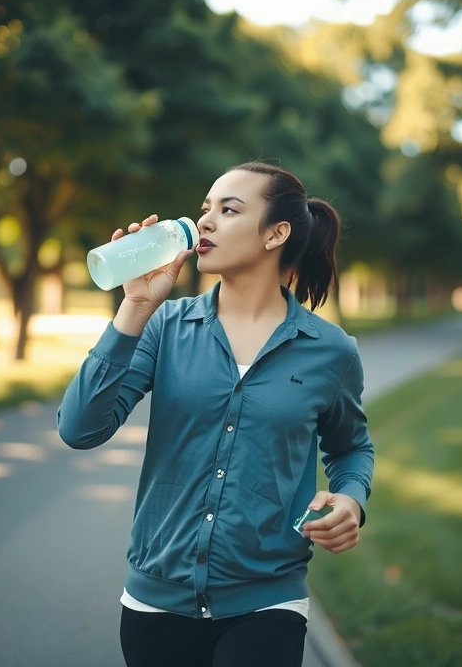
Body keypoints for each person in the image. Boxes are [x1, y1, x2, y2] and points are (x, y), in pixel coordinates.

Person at [57, 162, 374, 667]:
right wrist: (134, 308)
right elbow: (79, 429)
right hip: (155, 602)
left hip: (267, 602)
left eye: (228, 210)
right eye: (206, 208)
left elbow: (351, 447)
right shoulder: (165, 326)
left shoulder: (330, 350)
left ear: (277, 234)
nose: (204, 222)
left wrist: (351, 501)